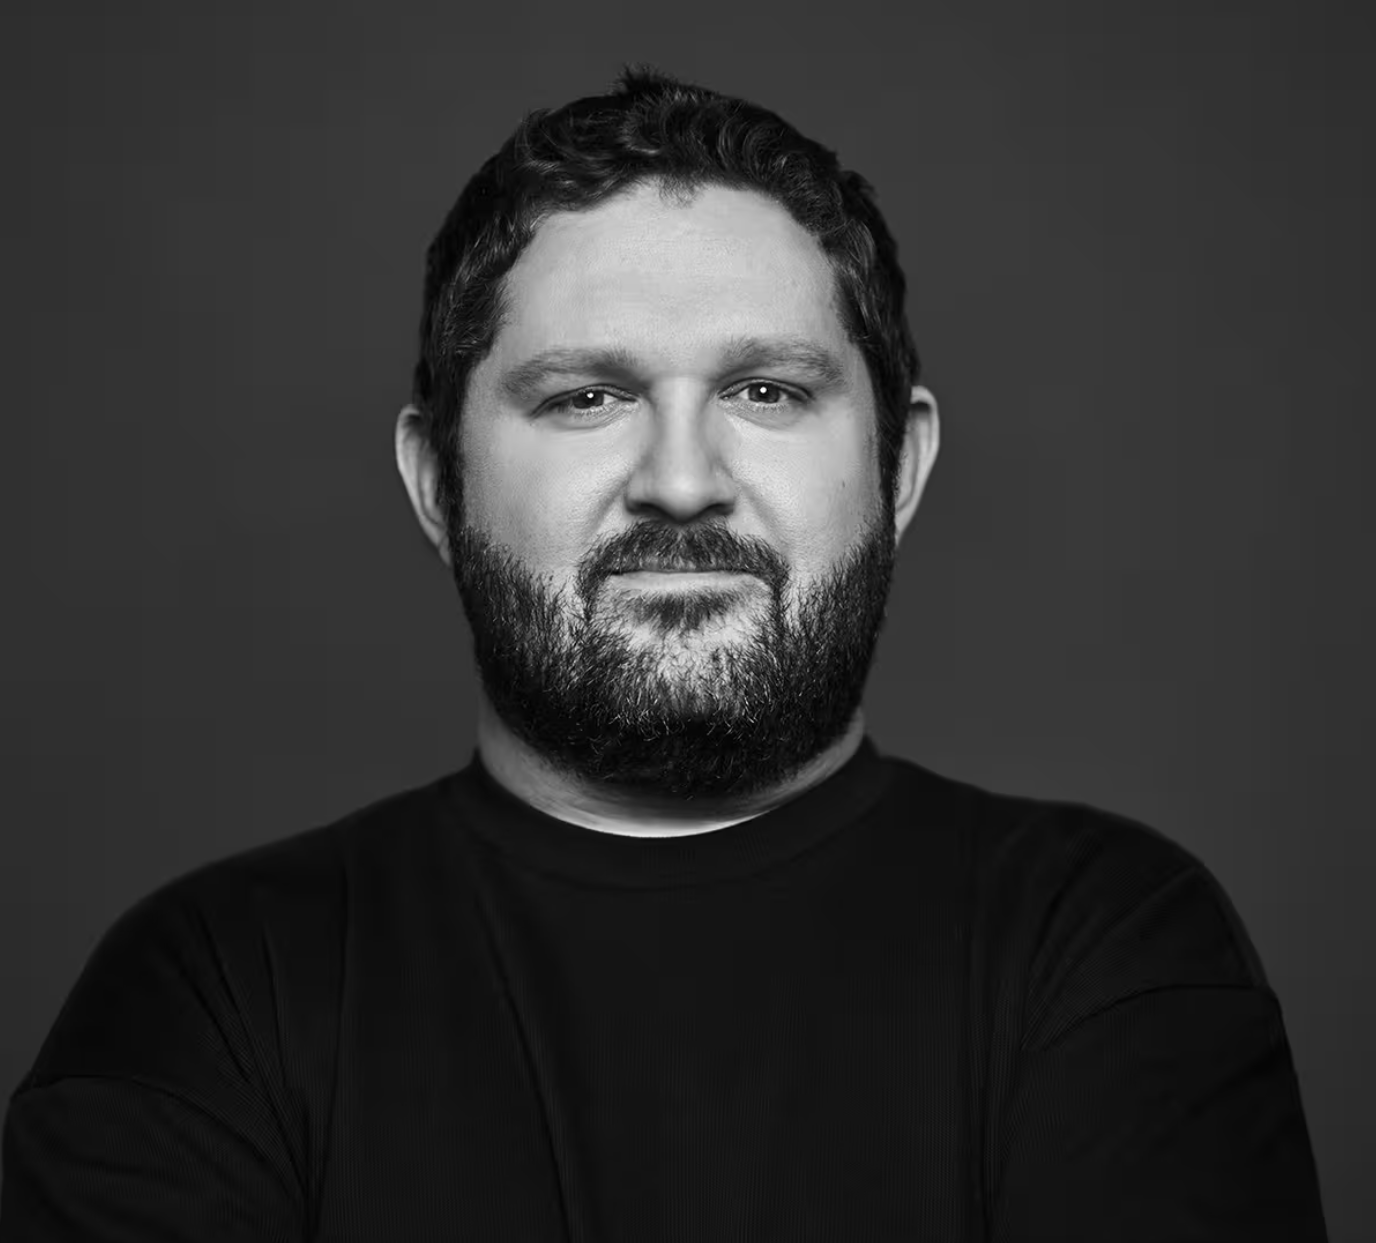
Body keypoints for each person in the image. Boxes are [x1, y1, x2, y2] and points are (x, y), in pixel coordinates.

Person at [1, 67, 1328, 1241]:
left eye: (768, 390)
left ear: (900, 468)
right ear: (438, 482)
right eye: (587, 396)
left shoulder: (1107, 944)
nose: (682, 480)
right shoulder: (217, 986)